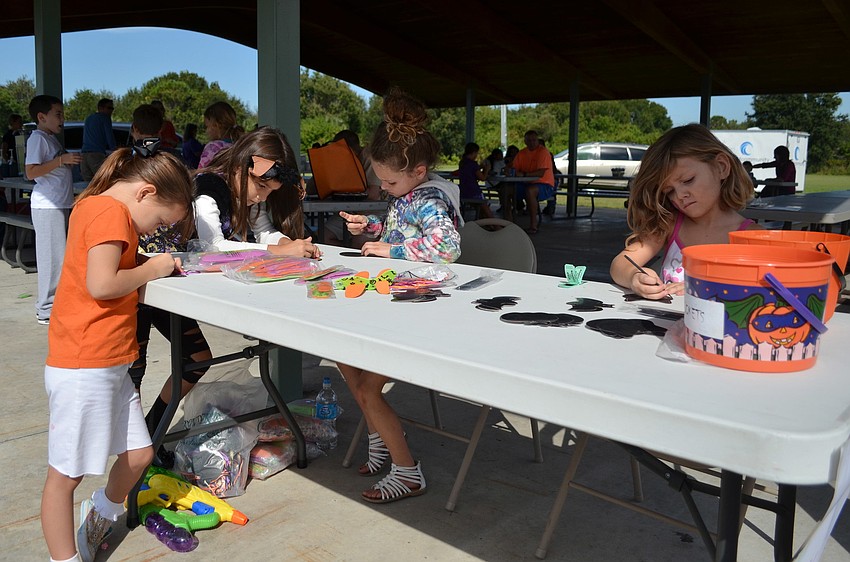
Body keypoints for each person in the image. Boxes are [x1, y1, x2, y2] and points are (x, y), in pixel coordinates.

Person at [40, 144, 193, 562]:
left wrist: (145, 262)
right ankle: (64, 558)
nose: (152, 229)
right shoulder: (112, 214)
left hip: (109, 362)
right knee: (64, 477)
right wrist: (154, 268)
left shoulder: (99, 209)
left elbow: (110, 268)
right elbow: (103, 284)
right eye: (160, 220)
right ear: (144, 192)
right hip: (84, 363)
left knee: (140, 454)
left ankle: (100, 513)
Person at [337, 87, 462, 504]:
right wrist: (371, 231)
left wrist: (387, 249)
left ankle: (407, 471)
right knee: (340, 352)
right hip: (397, 301)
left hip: (420, 311)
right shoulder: (407, 195)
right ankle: (379, 437)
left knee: (369, 388)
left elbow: (446, 248)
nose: (385, 187)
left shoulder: (427, 198)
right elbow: (402, 234)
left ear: (420, 171)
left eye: (390, 181)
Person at [128, 104, 213, 468]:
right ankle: (131, 455)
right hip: (132, 291)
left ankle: (149, 434)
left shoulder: (170, 167)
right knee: (131, 371)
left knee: (196, 360)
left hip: (166, 289)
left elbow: (187, 232)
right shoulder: (129, 176)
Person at [610, 124, 761, 300]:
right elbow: (619, 264)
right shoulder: (671, 224)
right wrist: (634, 277)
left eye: (688, 180)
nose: (680, 195)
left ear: (721, 167)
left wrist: (703, 286)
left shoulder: (752, 238)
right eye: (669, 191)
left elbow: (761, 293)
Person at [195, 126, 320, 258]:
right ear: (239, 168)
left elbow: (263, 231)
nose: (264, 198)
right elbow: (213, 246)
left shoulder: (248, 192)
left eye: (271, 191)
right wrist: (280, 251)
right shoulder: (207, 192)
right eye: (262, 186)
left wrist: (288, 244)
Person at [24, 95, 82, 325]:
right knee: (52, 258)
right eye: (57, 114)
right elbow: (31, 172)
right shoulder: (37, 138)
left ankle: (56, 304)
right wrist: (61, 161)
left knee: (60, 257)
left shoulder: (49, 138)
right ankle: (46, 308)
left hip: (59, 203)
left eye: (62, 114)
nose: (62, 119)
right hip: (47, 206)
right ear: (41, 117)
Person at [320, 129, 384, 247]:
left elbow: (373, 194)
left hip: (373, 211)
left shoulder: (370, 157)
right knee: (323, 236)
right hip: (351, 211)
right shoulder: (348, 162)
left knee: (360, 241)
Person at [509, 130, 556, 234]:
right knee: (506, 189)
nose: (531, 142)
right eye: (529, 140)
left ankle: (533, 225)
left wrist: (524, 174)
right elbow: (514, 168)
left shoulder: (543, 152)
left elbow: (540, 173)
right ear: (525, 141)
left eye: (534, 140)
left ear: (537, 140)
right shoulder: (521, 153)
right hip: (526, 183)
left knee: (530, 191)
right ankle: (508, 221)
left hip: (544, 185)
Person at [198, 101, 245, 168]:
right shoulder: (241, 146)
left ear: (217, 125)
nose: (206, 131)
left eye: (207, 126)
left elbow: (201, 173)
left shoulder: (213, 148)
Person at [79, 98, 116, 181]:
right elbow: (109, 137)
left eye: (112, 108)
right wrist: (116, 151)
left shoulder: (89, 118)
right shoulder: (105, 118)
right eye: (109, 108)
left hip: (84, 155)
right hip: (96, 155)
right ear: (101, 108)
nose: (111, 111)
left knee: (88, 184)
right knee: (102, 181)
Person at [457, 142, 492, 218]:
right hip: (474, 192)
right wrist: (486, 169)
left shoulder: (462, 162)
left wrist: (479, 167)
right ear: (474, 153)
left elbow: (470, 172)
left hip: (464, 191)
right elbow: (483, 178)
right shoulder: (473, 164)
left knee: (481, 209)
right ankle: (496, 226)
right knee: (487, 210)